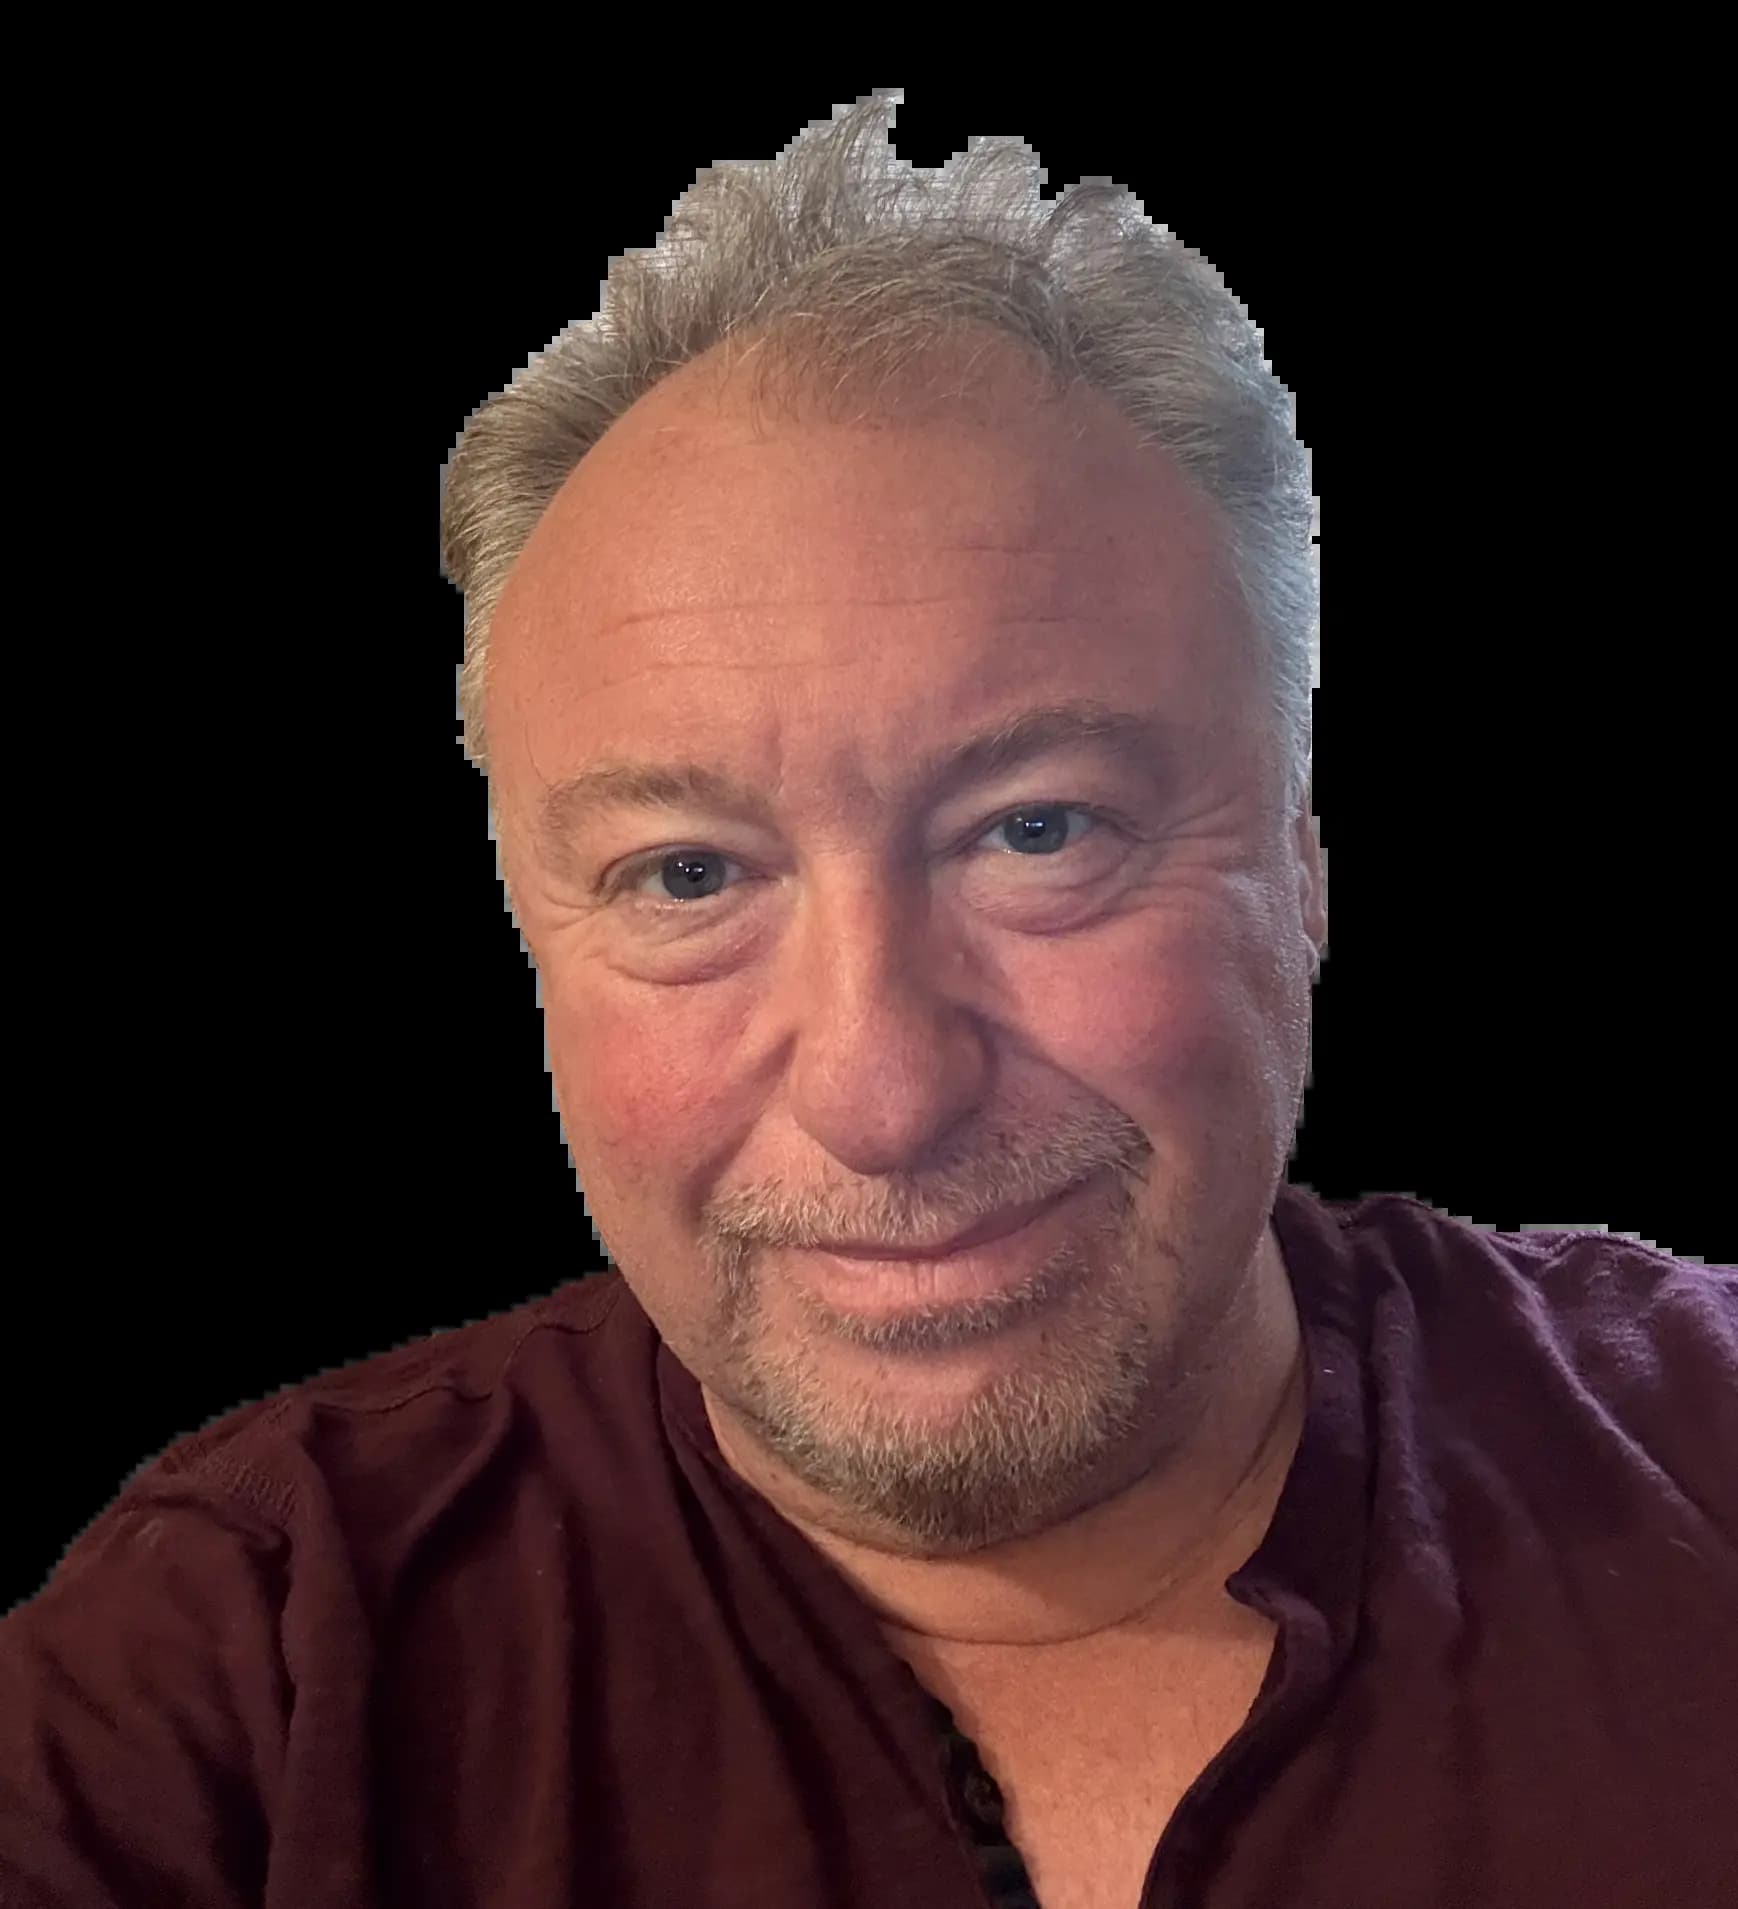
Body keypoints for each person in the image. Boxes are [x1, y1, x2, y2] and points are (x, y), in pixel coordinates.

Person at [3, 91, 1734, 1909]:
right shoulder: (238, 1679)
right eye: (689, 874)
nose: (881, 1092)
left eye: (1037, 829)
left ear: (1301, 867)